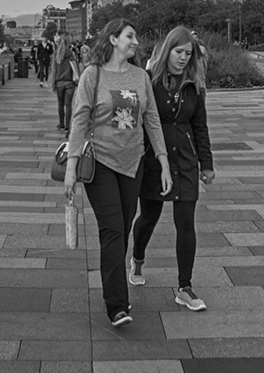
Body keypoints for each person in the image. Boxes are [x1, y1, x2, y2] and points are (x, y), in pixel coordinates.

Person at [65, 19, 172, 327]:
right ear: (112, 39)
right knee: (112, 231)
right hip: (100, 163)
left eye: (136, 36)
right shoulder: (92, 75)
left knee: (122, 231)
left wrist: (163, 161)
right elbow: (79, 120)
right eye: (129, 36)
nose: (135, 41)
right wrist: (72, 167)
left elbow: (151, 120)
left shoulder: (141, 76)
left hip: (133, 163)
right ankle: (117, 305)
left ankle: (116, 291)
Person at [130, 26, 215, 311]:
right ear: (168, 50)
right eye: (179, 52)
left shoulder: (194, 83)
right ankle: (138, 257)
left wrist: (207, 164)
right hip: (155, 160)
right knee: (149, 217)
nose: (182, 58)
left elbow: (200, 126)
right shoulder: (150, 81)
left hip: (186, 161)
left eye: (188, 54)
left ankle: (184, 287)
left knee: (185, 223)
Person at [51, 34, 81, 132]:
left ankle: (61, 124)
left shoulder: (56, 55)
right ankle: (68, 126)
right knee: (68, 105)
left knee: (60, 104)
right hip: (69, 83)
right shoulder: (71, 54)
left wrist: (53, 83)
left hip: (59, 83)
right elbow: (75, 68)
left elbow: (54, 71)